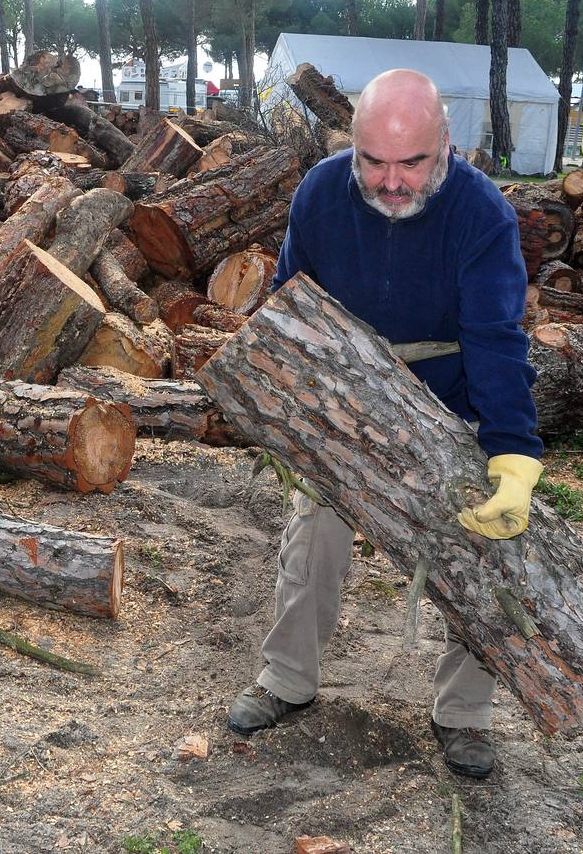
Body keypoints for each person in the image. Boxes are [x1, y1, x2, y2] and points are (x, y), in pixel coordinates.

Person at [225, 69, 545, 779]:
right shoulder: (318, 192)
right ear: (352, 144)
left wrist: (512, 456)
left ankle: (462, 712)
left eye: (411, 163)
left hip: (447, 395)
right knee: (312, 536)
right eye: (372, 161)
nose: (391, 182)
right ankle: (286, 678)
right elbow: (291, 305)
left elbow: (495, 335)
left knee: (481, 552)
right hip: (348, 395)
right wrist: (296, 411)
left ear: (446, 146)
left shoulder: (480, 212)